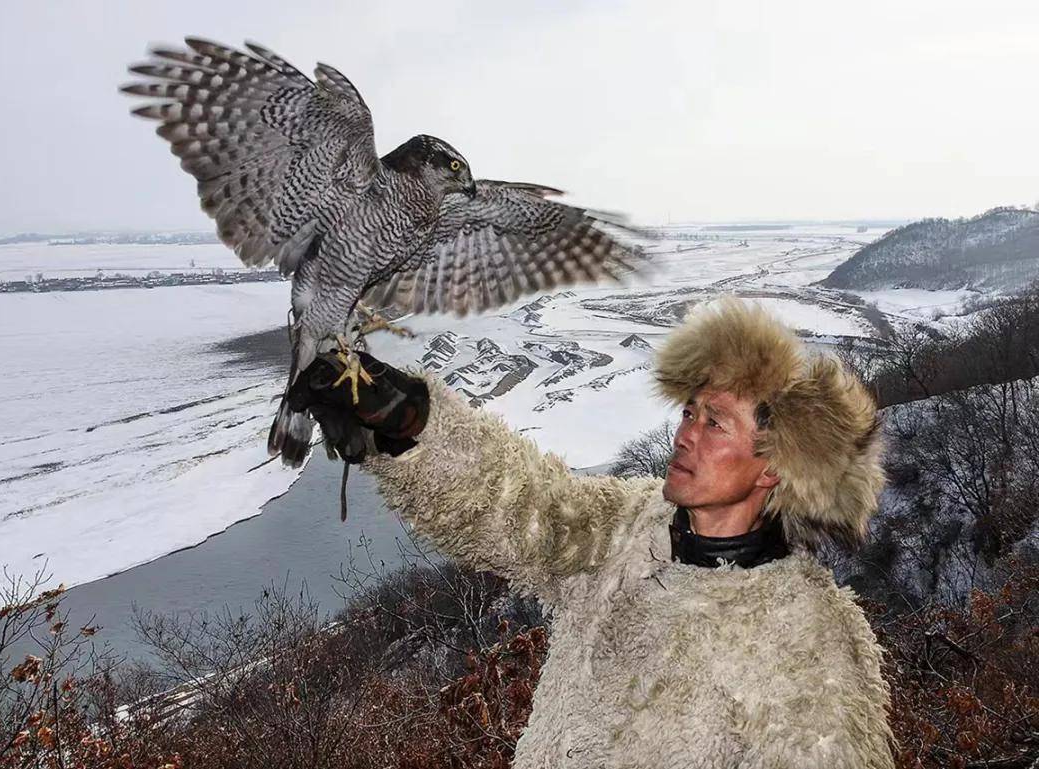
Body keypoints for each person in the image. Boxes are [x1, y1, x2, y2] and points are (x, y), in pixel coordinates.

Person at [286, 298, 894, 768]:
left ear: (774, 467)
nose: (686, 434)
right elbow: (522, 503)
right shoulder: (631, 529)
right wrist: (410, 421)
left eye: (715, 424)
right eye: (688, 412)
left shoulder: (809, 649)